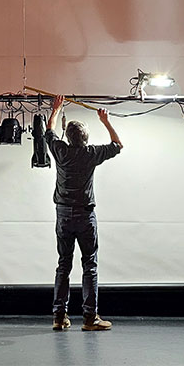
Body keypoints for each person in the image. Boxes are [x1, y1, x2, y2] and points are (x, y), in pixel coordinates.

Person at [45, 94, 123, 331]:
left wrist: (56, 109)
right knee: (90, 265)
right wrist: (105, 121)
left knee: (63, 265)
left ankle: (59, 318)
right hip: (85, 216)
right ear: (85, 139)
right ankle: (90, 319)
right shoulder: (91, 154)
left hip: (63, 215)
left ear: (68, 138)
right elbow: (117, 145)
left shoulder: (60, 151)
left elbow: (49, 131)